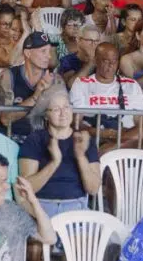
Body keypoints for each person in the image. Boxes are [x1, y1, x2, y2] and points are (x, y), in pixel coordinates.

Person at [19, 86, 100, 226]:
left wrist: (81, 156)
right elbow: (27, 188)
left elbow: (93, 189)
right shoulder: (35, 139)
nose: (63, 113)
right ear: (46, 114)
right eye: (56, 109)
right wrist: (54, 162)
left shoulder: (83, 140)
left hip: (76, 207)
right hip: (42, 207)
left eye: (66, 107)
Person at [69, 42, 143, 152]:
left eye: (114, 61)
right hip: (96, 138)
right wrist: (101, 133)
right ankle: (111, 149)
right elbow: (76, 123)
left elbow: (140, 123)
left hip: (127, 136)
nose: (111, 65)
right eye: (106, 61)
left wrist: (125, 134)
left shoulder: (131, 85)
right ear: (96, 60)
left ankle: (106, 152)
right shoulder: (82, 84)